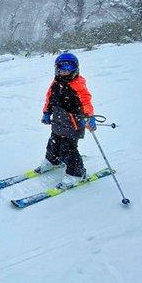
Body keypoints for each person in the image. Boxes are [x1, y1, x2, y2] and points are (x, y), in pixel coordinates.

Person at [35, 52, 97, 189]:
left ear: (75, 69)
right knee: (53, 142)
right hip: (58, 121)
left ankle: (77, 173)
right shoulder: (56, 83)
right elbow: (49, 99)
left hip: (73, 123)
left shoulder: (78, 85)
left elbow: (86, 101)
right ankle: (52, 160)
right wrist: (46, 113)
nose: (64, 72)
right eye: (61, 69)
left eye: (68, 69)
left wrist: (89, 116)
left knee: (67, 148)